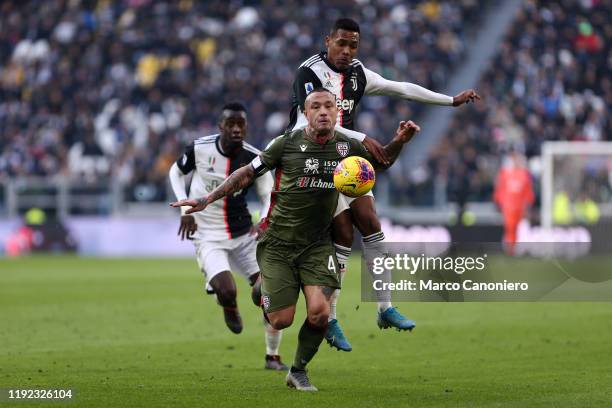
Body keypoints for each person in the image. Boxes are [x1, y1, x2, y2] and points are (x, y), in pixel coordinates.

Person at [171, 88, 421, 391]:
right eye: (317, 106)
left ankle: (299, 370)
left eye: (330, 105)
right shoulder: (286, 144)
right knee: (280, 320)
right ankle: (262, 289)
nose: (325, 111)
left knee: (319, 313)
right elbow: (246, 174)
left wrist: (399, 142)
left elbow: (380, 163)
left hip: (316, 245)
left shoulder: (347, 146)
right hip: (278, 244)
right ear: (307, 112)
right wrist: (207, 198)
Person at [287, 18, 481, 351]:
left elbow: (402, 87)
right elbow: (305, 123)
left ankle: (384, 307)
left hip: (347, 163)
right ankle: (329, 317)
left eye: (354, 45)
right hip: (311, 160)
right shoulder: (310, 73)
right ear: (328, 40)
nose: (347, 51)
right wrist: (363, 136)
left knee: (373, 227)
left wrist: (450, 100)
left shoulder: (359, 74)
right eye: (342, 43)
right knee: (343, 235)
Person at [168, 102, 288, 371]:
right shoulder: (200, 148)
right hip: (207, 234)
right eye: (230, 124)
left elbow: (268, 193)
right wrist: (185, 207)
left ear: (246, 127)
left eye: (241, 124)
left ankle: (273, 356)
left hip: (244, 234)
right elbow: (175, 171)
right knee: (227, 290)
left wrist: (265, 221)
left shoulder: (253, 157)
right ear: (221, 126)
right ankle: (229, 305)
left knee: (268, 292)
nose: (236, 129)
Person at [493, 152, 534, 254]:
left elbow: (528, 191)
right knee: (510, 228)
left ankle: (515, 249)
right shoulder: (505, 173)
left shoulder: (524, 174)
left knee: (518, 229)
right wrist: (499, 202)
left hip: (520, 207)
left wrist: (527, 205)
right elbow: (500, 189)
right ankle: (510, 250)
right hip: (508, 207)